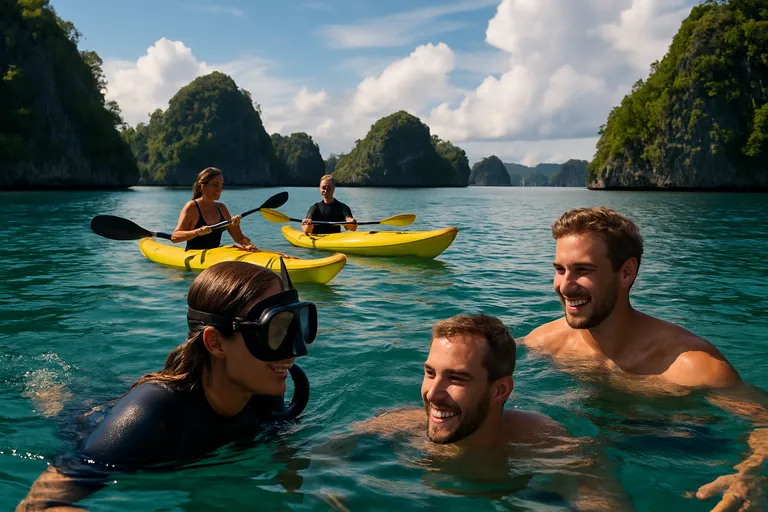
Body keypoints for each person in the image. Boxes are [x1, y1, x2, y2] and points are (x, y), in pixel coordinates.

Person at [17, 260, 317, 510]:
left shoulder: (262, 391)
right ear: (215, 342)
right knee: (61, 404)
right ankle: (47, 389)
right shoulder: (153, 413)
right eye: (274, 333)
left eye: (295, 328)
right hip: (92, 422)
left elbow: (285, 454)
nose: (293, 351)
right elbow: (37, 504)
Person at [523, 206, 767, 510]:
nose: (564, 285)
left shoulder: (691, 364)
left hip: (681, 448)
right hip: (596, 448)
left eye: (583, 270)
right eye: (560, 269)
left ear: (626, 272)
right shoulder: (544, 342)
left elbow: (764, 423)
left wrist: (753, 474)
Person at [172, 167, 259, 251]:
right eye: (215, 185)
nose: (219, 190)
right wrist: (197, 232)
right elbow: (175, 237)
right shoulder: (191, 207)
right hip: (195, 256)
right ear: (202, 186)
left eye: (221, 185)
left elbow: (239, 238)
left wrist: (248, 244)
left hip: (214, 257)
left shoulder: (221, 208)